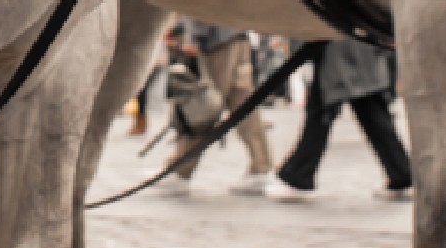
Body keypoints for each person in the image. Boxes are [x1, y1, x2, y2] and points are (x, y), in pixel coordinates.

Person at [269, 38, 413, 200]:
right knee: (370, 112)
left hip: (340, 51)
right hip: (359, 49)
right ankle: (402, 174)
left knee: (323, 114)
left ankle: (297, 176)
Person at [172, 19, 276, 194]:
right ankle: (261, 166)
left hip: (216, 38)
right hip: (236, 34)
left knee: (203, 104)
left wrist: (189, 35)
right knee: (242, 102)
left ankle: (180, 169)